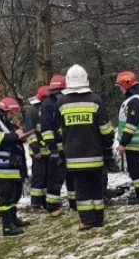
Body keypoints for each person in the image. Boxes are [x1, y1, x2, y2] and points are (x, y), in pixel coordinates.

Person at [56, 64, 114, 230]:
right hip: (95, 155)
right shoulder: (96, 100)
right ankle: (98, 219)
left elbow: (58, 131)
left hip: (74, 157)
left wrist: (61, 152)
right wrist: (107, 150)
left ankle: (87, 220)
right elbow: (106, 130)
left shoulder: (61, 103)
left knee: (81, 189)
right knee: (96, 186)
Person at [0, 98, 30, 237]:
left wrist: (21, 136)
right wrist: (16, 135)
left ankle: (13, 219)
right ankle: (7, 226)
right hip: (2, 167)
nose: (12, 116)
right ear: (4, 111)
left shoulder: (6, 122)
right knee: (6, 197)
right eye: (11, 113)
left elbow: (15, 135)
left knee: (15, 194)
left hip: (12, 165)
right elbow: (0, 140)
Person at [115, 71, 139, 204]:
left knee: (136, 172)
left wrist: (123, 143)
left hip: (133, 143)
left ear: (127, 85)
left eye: (120, 86)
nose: (120, 89)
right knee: (136, 171)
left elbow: (131, 125)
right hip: (131, 143)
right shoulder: (132, 100)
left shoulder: (135, 101)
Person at [41, 74, 68, 216]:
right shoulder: (48, 105)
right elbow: (46, 130)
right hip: (56, 149)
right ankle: (52, 207)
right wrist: (53, 150)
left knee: (70, 177)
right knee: (56, 178)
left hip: (66, 148)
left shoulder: (60, 103)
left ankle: (74, 203)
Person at [23, 86, 50, 210]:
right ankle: (35, 203)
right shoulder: (32, 111)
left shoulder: (44, 109)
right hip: (38, 152)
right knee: (38, 178)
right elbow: (30, 133)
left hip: (47, 151)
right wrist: (36, 150)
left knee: (46, 178)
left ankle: (45, 202)